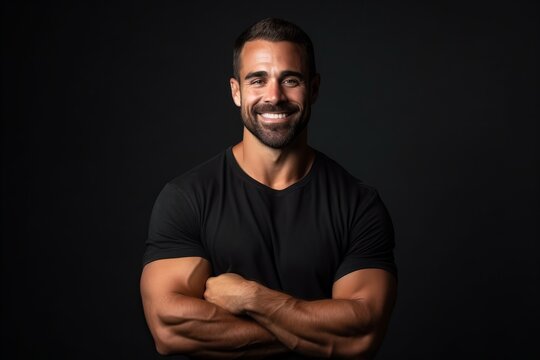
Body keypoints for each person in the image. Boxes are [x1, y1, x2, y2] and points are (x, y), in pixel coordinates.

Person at [140, 17, 397, 359]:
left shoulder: (358, 205)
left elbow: (363, 332)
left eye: (290, 80)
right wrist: (317, 336)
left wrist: (252, 299)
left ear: (314, 89)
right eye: (257, 80)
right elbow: (169, 329)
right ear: (236, 91)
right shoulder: (187, 198)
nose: (274, 97)